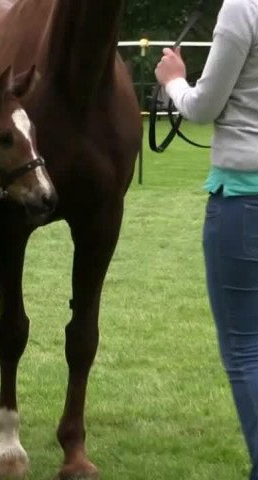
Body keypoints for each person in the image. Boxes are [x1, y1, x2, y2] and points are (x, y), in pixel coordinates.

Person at [156, 1, 258, 479]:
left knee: (244, 349)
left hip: (242, 199)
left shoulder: (242, 8)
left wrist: (173, 78)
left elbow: (202, 107)